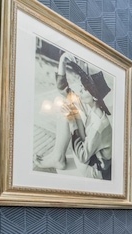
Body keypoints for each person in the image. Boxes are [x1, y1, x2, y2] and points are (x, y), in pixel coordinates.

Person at [34, 52, 113, 180]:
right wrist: (62, 60)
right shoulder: (90, 105)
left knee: (70, 115)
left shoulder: (100, 125)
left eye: (83, 89)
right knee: (68, 108)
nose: (80, 90)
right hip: (90, 155)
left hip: (94, 170)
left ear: (94, 96)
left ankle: (57, 158)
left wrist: (73, 124)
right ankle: (57, 156)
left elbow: (82, 156)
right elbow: (63, 89)